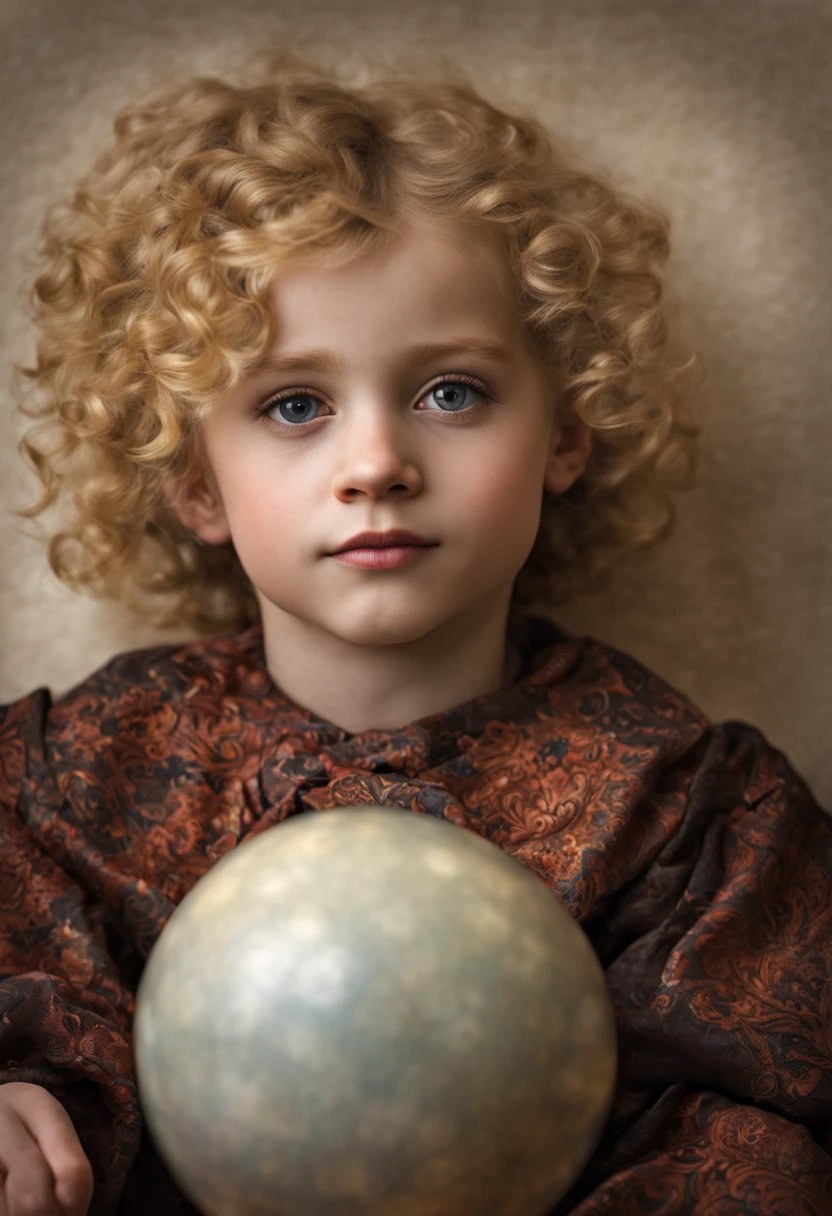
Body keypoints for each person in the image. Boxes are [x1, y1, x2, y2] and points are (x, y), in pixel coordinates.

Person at [1, 47, 830, 1216]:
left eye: (452, 392)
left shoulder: (690, 816)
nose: (377, 464)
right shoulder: (66, 787)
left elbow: (753, 1124)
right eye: (295, 405)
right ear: (193, 480)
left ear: (564, 434)